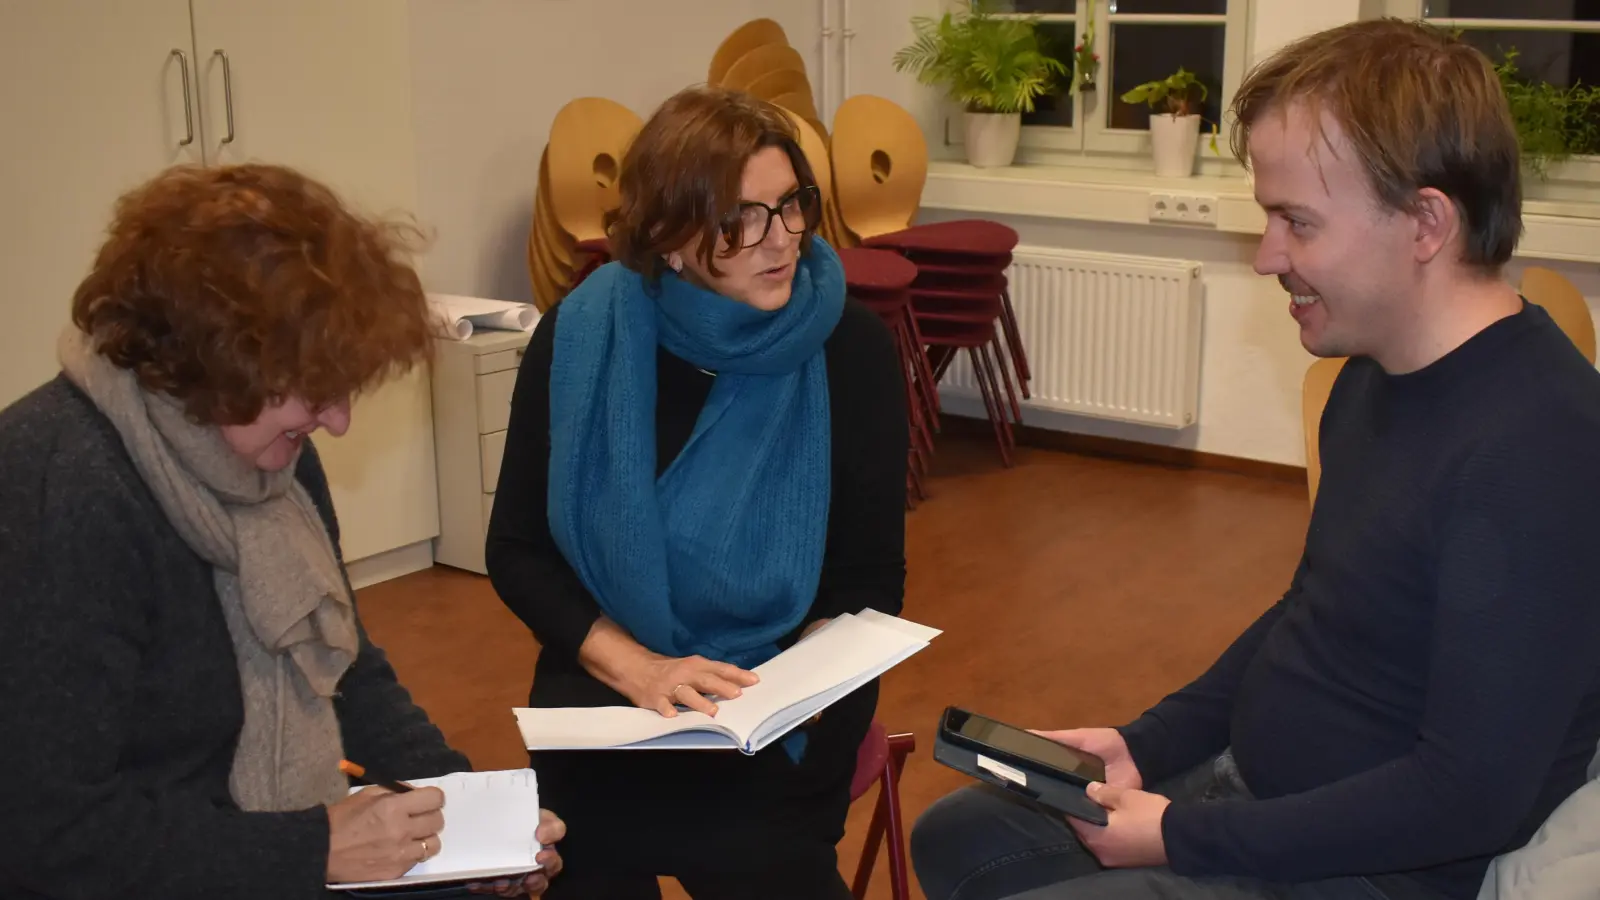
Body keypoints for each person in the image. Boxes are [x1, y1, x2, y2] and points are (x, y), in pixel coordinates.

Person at [910, 18, 1600, 900]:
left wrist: (1188, 836)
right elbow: (1313, 613)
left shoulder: (1543, 454)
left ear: (1426, 222)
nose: (1268, 255)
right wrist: (1147, 743)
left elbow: (1467, 799)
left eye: (1296, 223)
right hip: (1262, 791)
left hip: (1374, 870)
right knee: (961, 837)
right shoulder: (1372, 377)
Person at [0, 163, 565, 899]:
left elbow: (344, 666)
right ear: (214, 360)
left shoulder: (272, 458)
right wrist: (315, 847)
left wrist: (463, 816)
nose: (337, 421)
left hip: (251, 840)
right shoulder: (62, 491)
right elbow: (45, 837)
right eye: (314, 390)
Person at [485, 85, 909, 899]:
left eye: (792, 206)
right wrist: (641, 668)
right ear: (669, 236)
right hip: (608, 697)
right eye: (739, 220)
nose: (780, 240)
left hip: (773, 708)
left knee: (770, 868)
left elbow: (866, 580)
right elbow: (518, 550)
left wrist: (805, 709)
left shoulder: (849, 348)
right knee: (582, 872)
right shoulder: (583, 335)